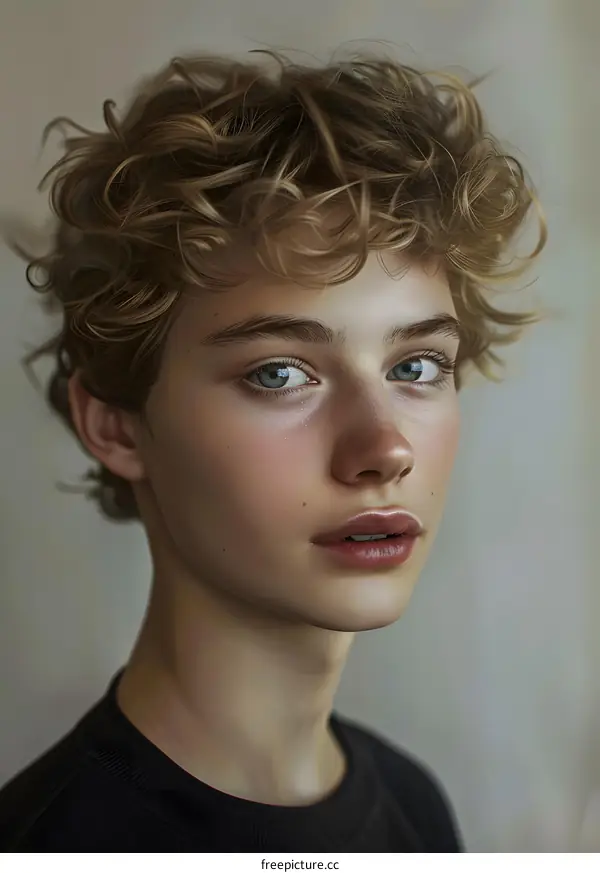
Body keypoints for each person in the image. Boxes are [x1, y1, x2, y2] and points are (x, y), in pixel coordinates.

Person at [0, 49, 544, 851]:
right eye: (280, 372)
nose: (385, 447)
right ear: (115, 424)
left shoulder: (414, 807)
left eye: (416, 366)